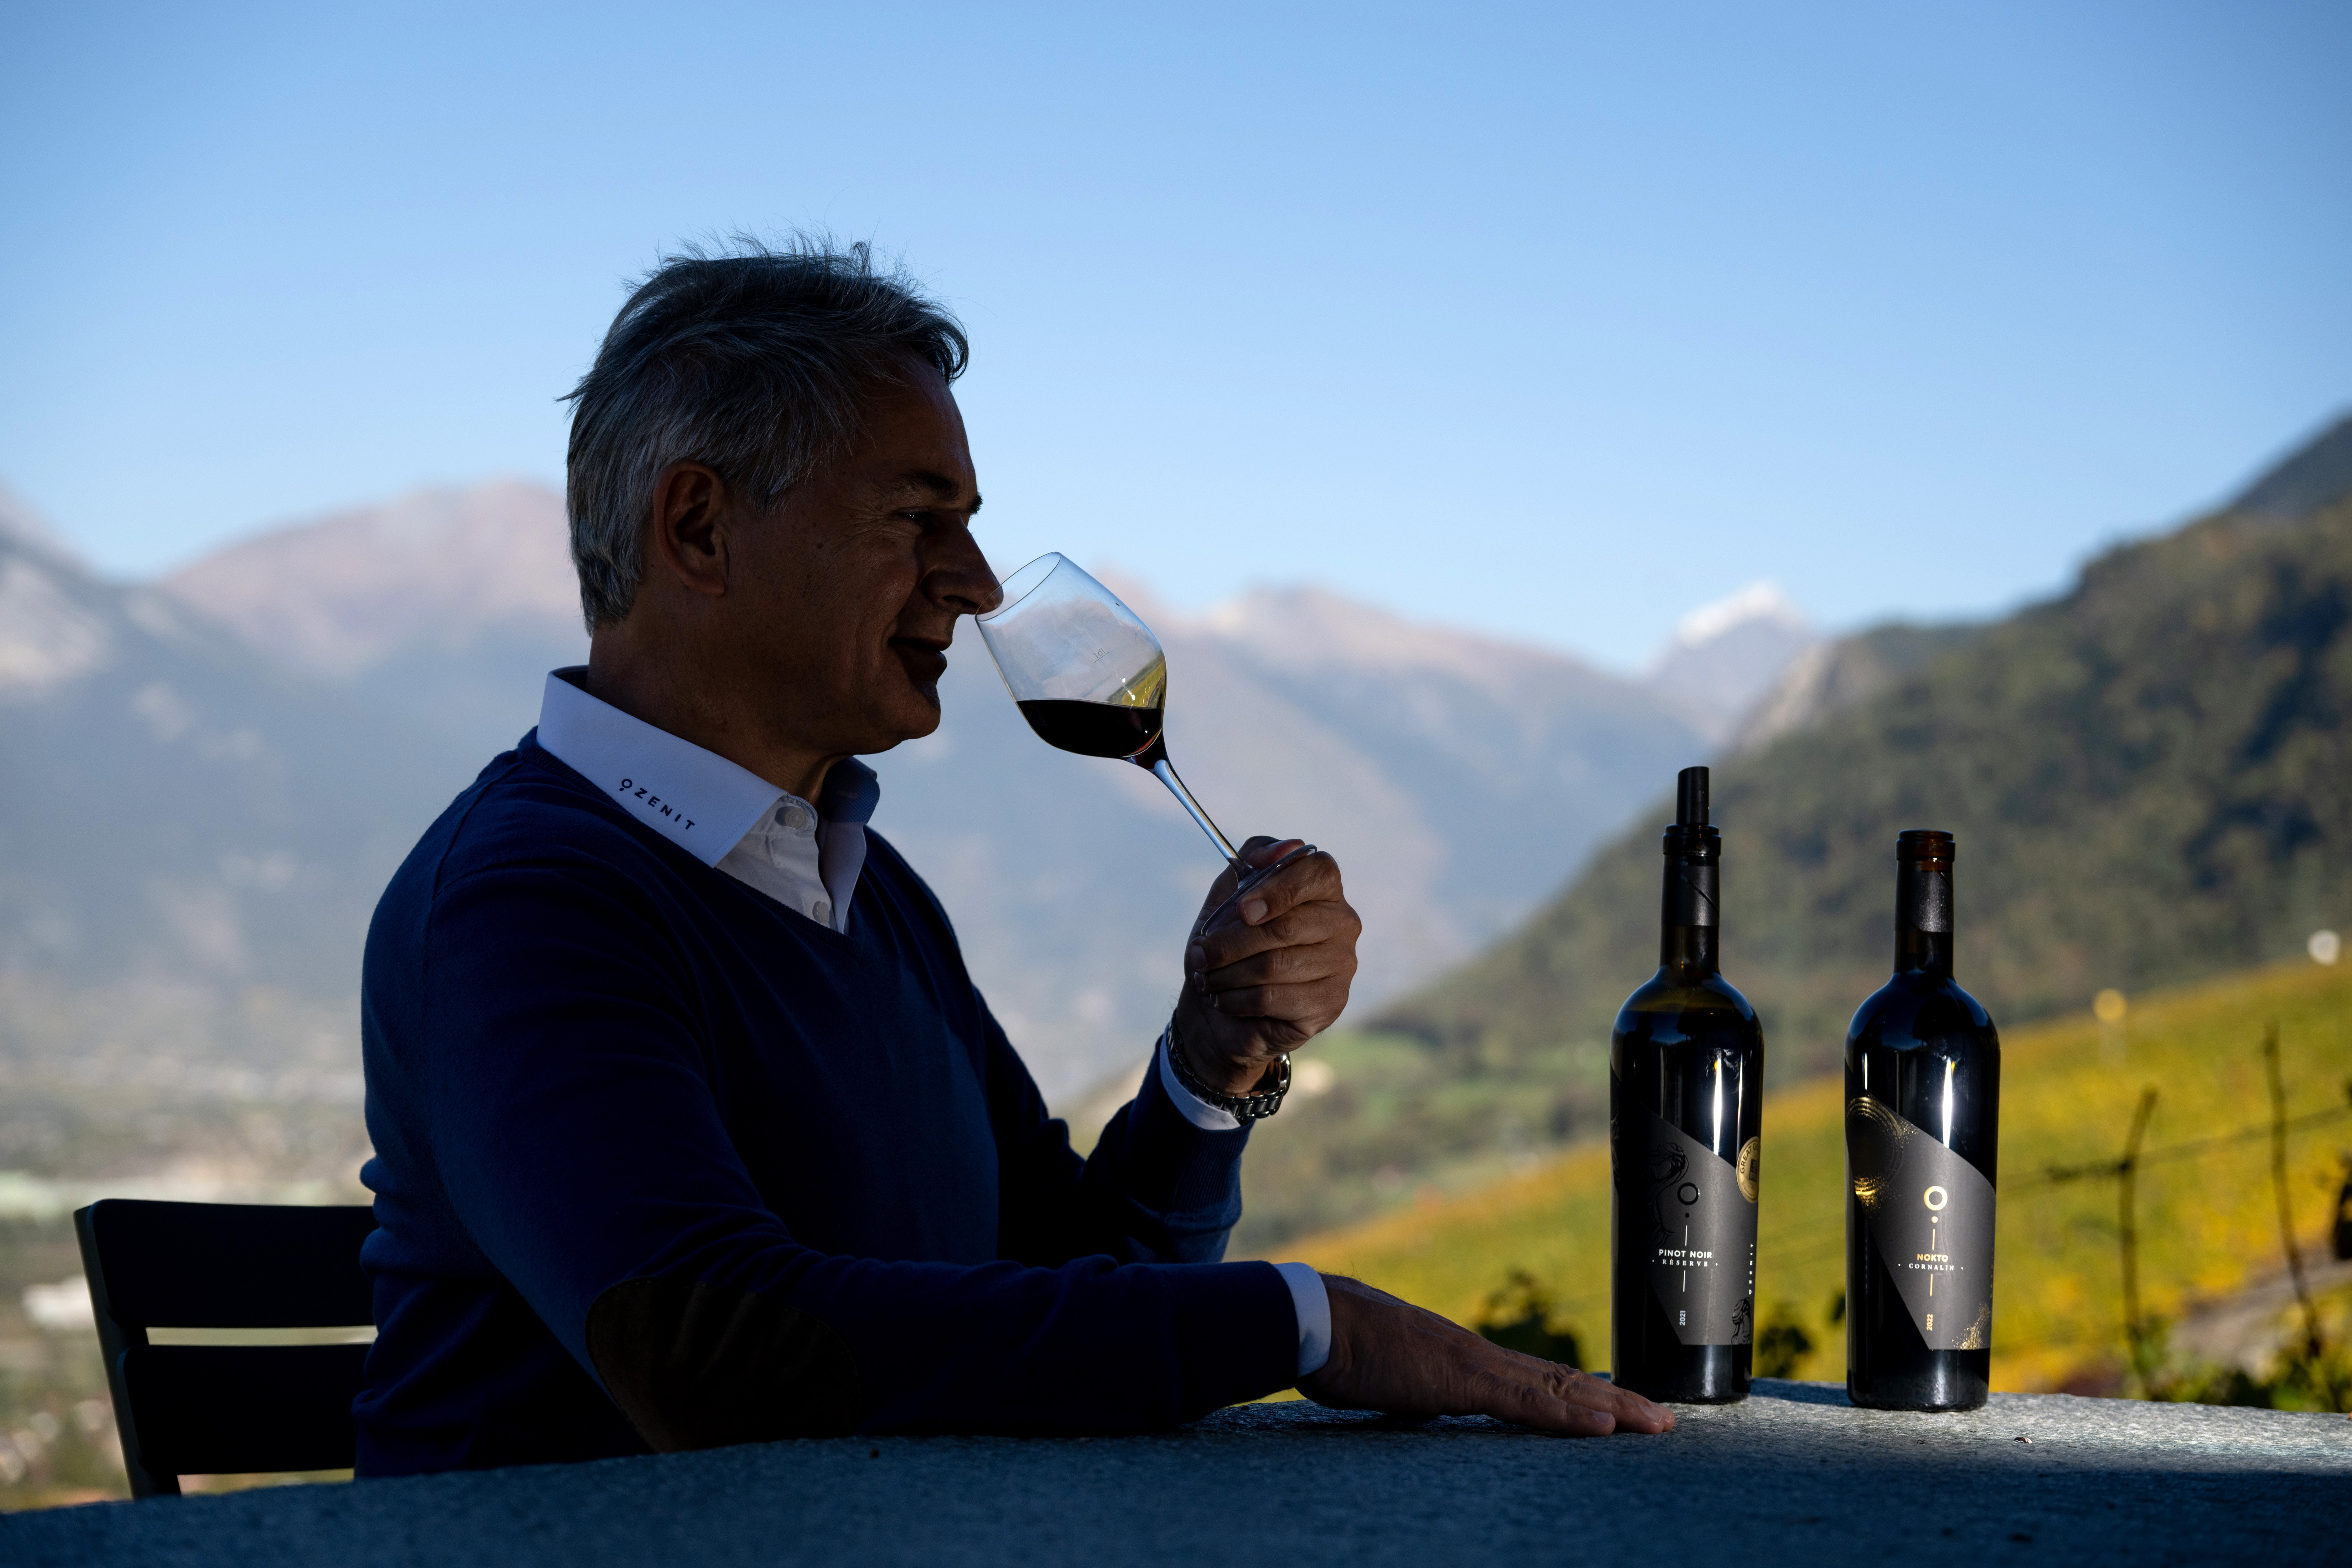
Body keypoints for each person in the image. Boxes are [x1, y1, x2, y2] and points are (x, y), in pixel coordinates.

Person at [353, 239, 1671, 1473]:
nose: (976, 582)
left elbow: (1076, 1276)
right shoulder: (527, 902)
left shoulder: (869, 892)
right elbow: (708, 1348)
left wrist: (1209, 1067)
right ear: (699, 528)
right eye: (916, 518)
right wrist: (1302, 1324)